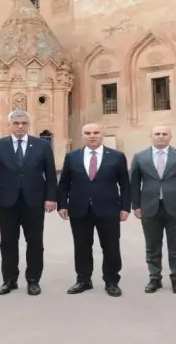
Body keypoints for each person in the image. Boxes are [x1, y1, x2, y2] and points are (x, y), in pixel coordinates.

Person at [0, 110, 57, 296]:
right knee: (8, 242)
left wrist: (50, 198)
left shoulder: (42, 146)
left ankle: (33, 280)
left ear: (28, 124)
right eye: (16, 123)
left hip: (34, 201)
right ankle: (9, 280)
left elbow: (50, 174)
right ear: (9, 125)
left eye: (23, 123)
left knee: (34, 242)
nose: (20, 126)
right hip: (6, 201)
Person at [57, 123, 130, 297]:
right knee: (82, 246)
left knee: (111, 246)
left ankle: (111, 281)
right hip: (79, 208)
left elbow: (125, 185)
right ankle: (83, 280)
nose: (92, 136)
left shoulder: (117, 157)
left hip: (109, 209)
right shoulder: (72, 157)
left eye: (96, 132)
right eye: (88, 133)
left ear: (102, 134)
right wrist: (62, 204)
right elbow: (64, 183)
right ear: (82, 135)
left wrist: (125, 207)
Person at [130, 124, 176, 294]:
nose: (161, 136)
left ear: (170, 136)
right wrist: (136, 206)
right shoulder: (140, 157)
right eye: (157, 134)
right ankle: (154, 278)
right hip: (149, 208)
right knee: (152, 245)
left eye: (164, 134)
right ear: (151, 136)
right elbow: (134, 184)